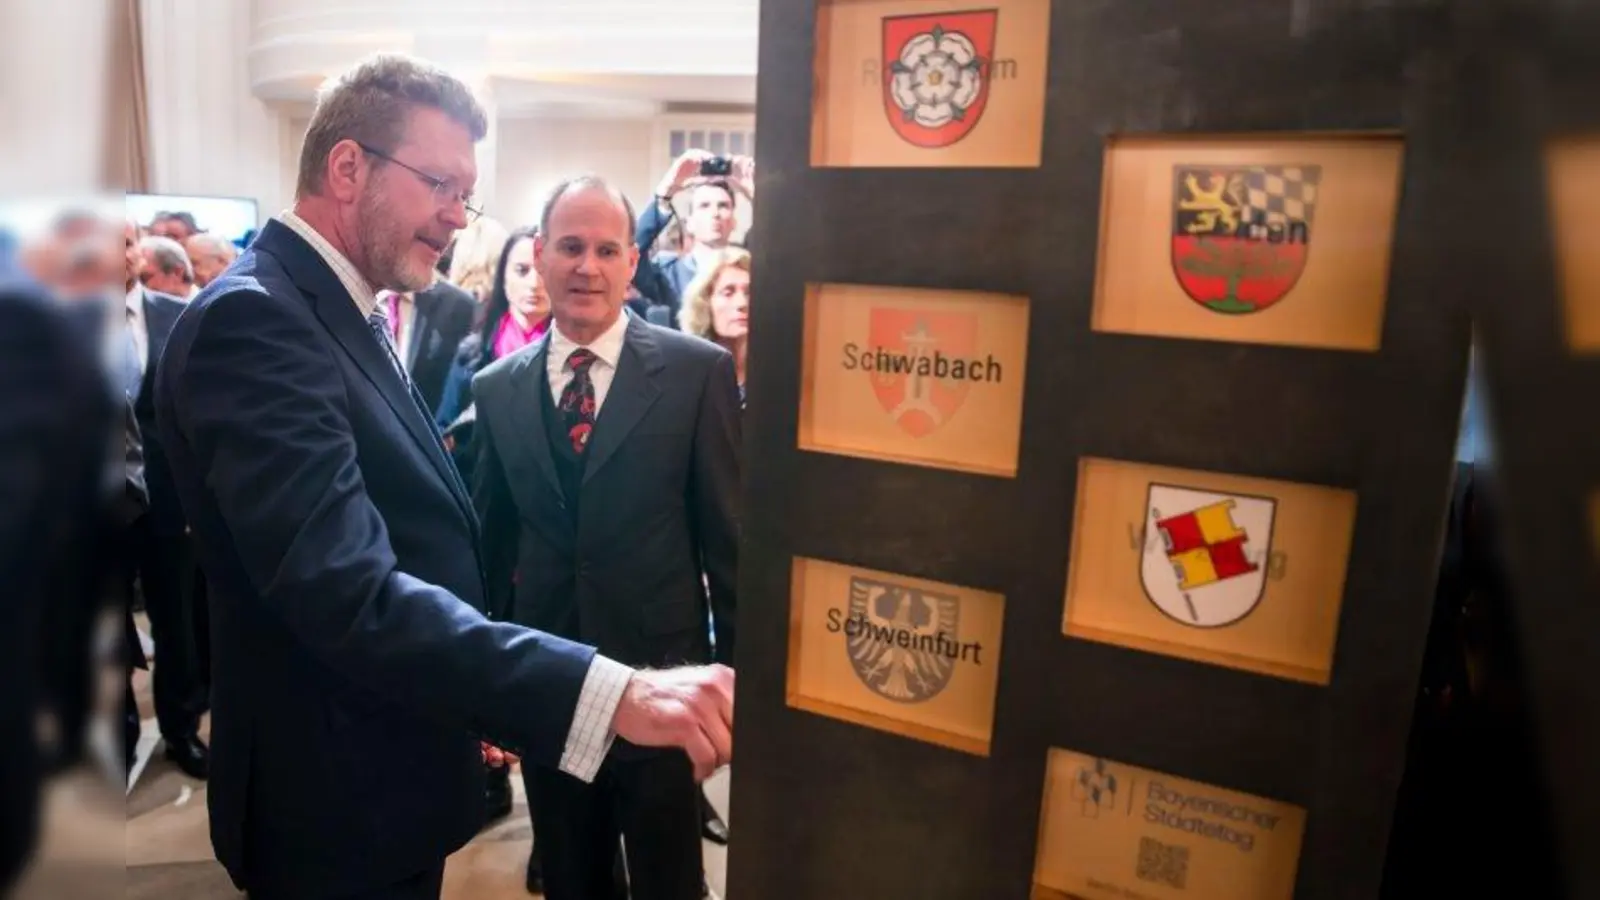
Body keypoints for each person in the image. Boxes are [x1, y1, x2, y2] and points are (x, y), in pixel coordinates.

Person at [153, 54, 733, 900]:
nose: (458, 218)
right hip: (332, 797)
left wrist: (480, 701)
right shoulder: (260, 320)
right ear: (348, 168)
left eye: (468, 194)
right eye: (440, 185)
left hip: (386, 765)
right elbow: (347, 592)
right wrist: (603, 691)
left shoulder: (330, 306)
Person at [472, 174, 741, 900]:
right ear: (540, 255)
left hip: (667, 679)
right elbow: (492, 549)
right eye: (569, 246)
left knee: (669, 879)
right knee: (570, 873)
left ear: (631, 261)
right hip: (552, 683)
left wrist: (740, 686)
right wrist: (488, 689)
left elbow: (730, 547)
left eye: (605, 249)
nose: (586, 265)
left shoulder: (696, 373)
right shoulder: (494, 387)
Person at [679, 246, 751, 408]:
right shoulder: (685, 374)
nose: (742, 303)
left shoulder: (779, 373)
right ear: (705, 302)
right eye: (728, 292)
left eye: (750, 292)